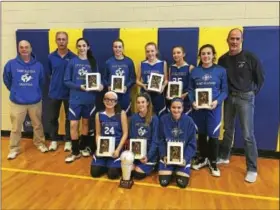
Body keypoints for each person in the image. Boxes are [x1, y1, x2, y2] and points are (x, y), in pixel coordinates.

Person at [217, 28, 265, 183]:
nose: (234, 42)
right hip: (229, 98)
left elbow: (260, 78)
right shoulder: (223, 60)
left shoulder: (250, 57)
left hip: (245, 98)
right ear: (227, 40)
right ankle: (224, 156)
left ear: (242, 40)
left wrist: (250, 93)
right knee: (228, 129)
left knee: (247, 135)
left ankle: (252, 168)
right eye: (232, 38)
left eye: (237, 39)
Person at [3, 40, 48, 159]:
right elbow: (7, 80)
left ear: (30, 49)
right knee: (16, 127)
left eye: (26, 47)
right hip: (17, 102)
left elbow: (42, 81)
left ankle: (40, 143)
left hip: (35, 102)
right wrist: (15, 91)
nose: (24, 49)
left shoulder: (38, 65)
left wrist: (34, 91)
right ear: (18, 49)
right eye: (21, 47)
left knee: (37, 124)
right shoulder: (11, 64)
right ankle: (14, 148)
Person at [188, 44, 228, 177]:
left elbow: (225, 91)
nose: (206, 56)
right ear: (200, 56)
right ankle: (203, 158)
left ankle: (213, 162)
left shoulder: (221, 71)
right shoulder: (195, 71)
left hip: (213, 109)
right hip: (198, 109)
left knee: (213, 135)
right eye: (203, 54)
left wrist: (217, 101)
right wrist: (193, 101)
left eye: (208, 53)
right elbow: (190, 89)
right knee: (201, 134)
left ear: (213, 55)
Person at [64, 38, 103, 163]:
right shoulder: (72, 62)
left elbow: (97, 79)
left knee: (86, 124)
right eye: (79, 46)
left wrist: (100, 86)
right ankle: (74, 151)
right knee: (74, 125)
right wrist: (79, 86)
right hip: (75, 99)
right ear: (77, 47)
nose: (81, 48)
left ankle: (83, 147)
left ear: (88, 47)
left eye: (84, 45)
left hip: (89, 98)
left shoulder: (92, 62)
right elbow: (66, 81)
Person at [158, 98, 197, 188]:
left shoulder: (189, 121)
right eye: (173, 107)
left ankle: (178, 168)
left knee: (182, 184)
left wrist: (185, 158)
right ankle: (171, 168)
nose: (176, 110)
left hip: (183, 158)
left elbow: (192, 144)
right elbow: (160, 140)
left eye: (179, 107)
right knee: (164, 182)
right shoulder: (163, 120)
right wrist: (163, 155)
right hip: (167, 157)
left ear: (183, 108)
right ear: (170, 108)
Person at [47, 31, 76, 152]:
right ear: (56, 41)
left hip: (70, 93)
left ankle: (68, 141)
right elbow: (49, 73)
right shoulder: (51, 57)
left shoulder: (74, 57)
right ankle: (54, 140)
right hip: (55, 93)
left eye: (64, 39)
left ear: (67, 41)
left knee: (70, 118)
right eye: (59, 39)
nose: (61, 42)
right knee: (53, 117)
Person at [90, 91, 128, 179]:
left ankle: (111, 165)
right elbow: (98, 134)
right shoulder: (98, 114)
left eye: (112, 100)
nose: (109, 102)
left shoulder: (121, 114)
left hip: (116, 146)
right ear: (103, 101)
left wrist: (118, 150)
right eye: (107, 99)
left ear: (116, 102)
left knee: (112, 175)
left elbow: (125, 133)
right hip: (104, 146)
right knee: (94, 173)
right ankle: (106, 164)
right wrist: (99, 148)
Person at [129, 92, 159, 180]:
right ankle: (136, 164)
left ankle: (154, 165)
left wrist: (148, 156)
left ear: (147, 103)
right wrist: (134, 155)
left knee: (137, 175)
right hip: (137, 153)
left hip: (149, 155)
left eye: (143, 102)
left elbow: (155, 140)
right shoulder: (134, 118)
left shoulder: (154, 118)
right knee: (129, 171)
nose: (140, 104)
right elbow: (132, 137)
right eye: (138, 102)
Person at [104, 39, 136, 115]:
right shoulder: (109, 62)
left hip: (125, 95)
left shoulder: (129, 61)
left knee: (126, 116)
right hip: (112, 96)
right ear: (113, 48)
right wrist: (108, 86)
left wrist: (126, 87)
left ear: (123, 48)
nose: (117, 49)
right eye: (115, 47)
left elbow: (133, 78)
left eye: (119, 47)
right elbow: (104, 78)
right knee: (113, 117)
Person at [136, 42, 168, 117]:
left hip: (158, 94)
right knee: (146, 117)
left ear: (156, 51)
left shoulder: (163, 63)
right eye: (148, 51)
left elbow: (166, 80)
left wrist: (163, 87)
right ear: (145, 53)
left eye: (152, 51)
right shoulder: (142, 64)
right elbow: (137, 80)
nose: (150, 53)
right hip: (146, 94)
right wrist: (143, 85)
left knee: (158, 116)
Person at [167, 46, 195, 114]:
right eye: (174, 53)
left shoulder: (190, 67)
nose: (176, 55)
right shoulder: (171, 67)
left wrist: (185, 94)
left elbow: (194, 86)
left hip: (185, 100)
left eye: (178, 52)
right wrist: (168, 93)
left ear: (184, 54)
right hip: (173, 100)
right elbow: (169, 83)